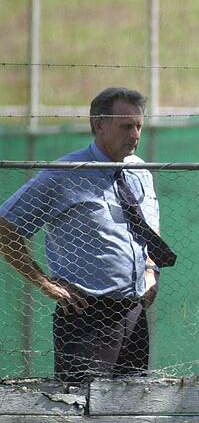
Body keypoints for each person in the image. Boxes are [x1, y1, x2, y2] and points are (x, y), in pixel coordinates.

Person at [0, 87, 174, 383]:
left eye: (139, 126)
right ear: (99, 125)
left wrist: (150, 269)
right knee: (83, 406)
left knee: (132, 407)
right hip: (85, 316)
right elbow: (6, 228)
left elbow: (149, 227)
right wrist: (44, 283)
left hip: (134, 312)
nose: (135, 134)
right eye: (126, 126)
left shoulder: (140, 171)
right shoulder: (66, 174)